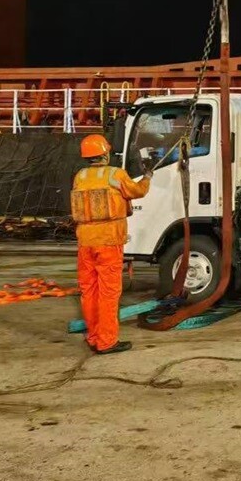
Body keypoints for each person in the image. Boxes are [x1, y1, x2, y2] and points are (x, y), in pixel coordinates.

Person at [70, 134, 152, 354]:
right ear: (105, 153)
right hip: (108, 241)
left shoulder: (80, 176)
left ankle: (94, 336)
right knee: (108, 292)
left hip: (85, 241)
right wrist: (147, 177)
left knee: (89, 290)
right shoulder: (115, 174)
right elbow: (138, 192)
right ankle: (106, 342)